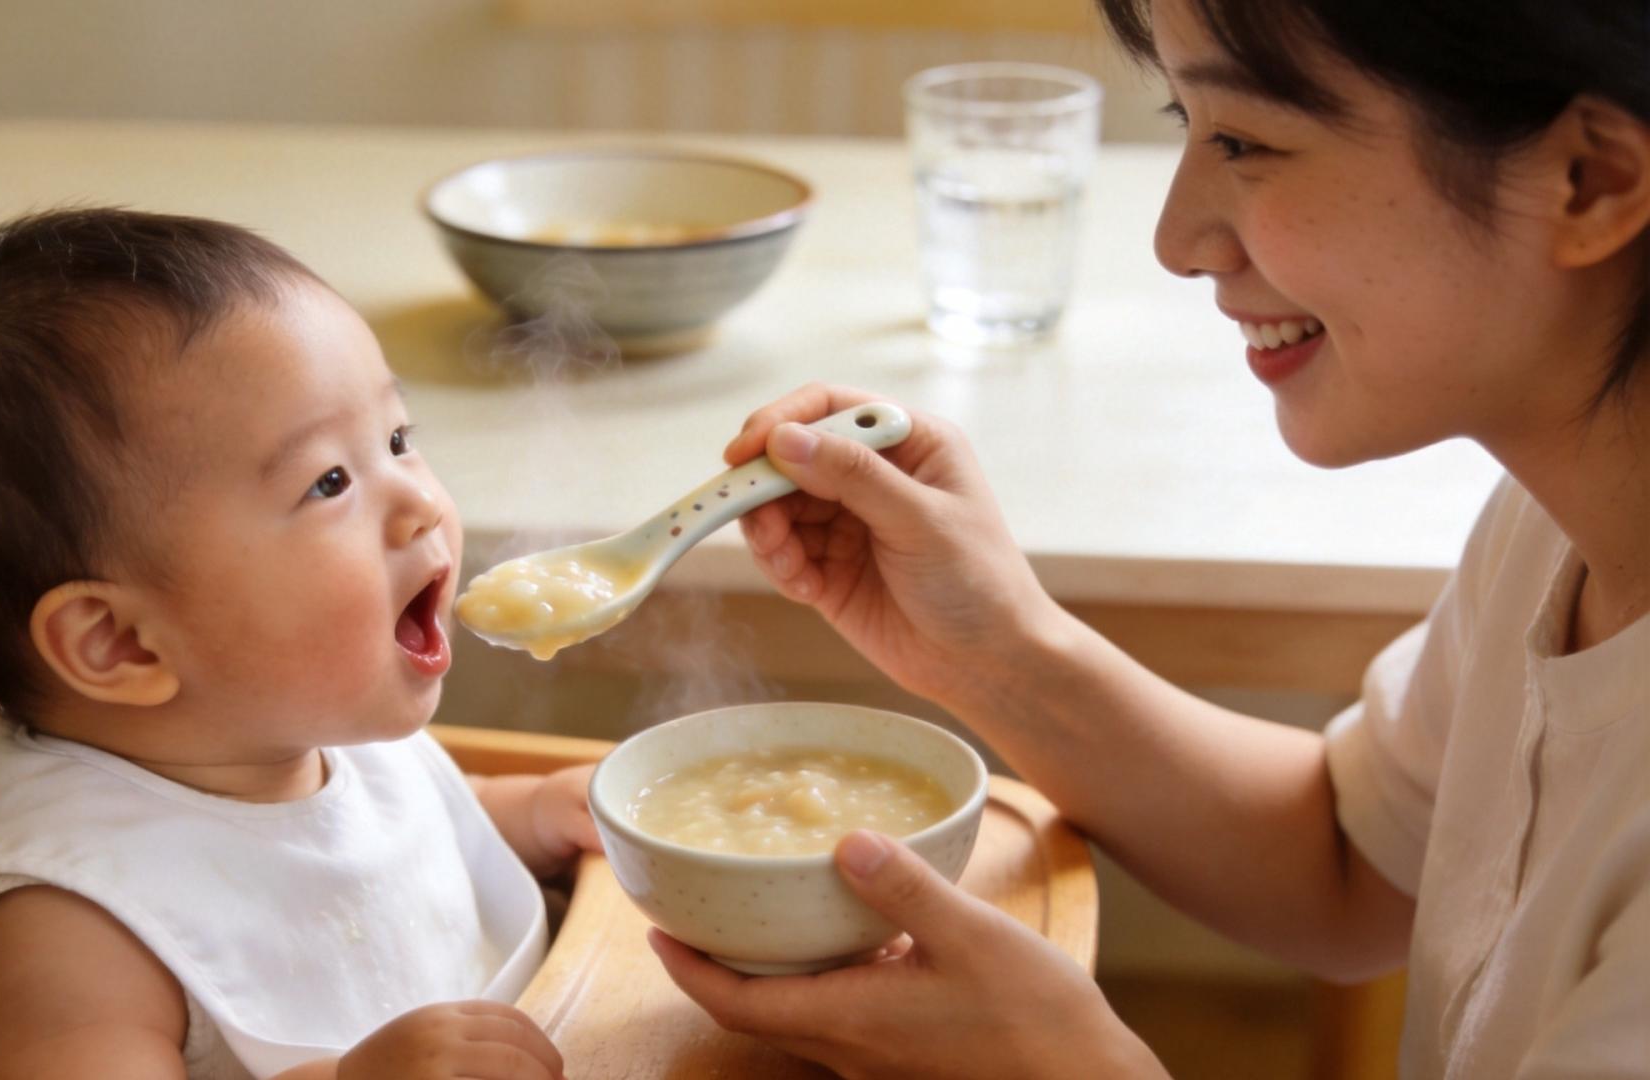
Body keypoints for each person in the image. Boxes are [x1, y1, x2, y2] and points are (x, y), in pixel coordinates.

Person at [648, 0, 1650, 1075]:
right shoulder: (1557, 522)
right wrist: (993, 648)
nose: (1178, 241)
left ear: (1589, 180)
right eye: (1188, 120)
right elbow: (1351, 867)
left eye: (1245, 141)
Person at [0, 208, 599, 1080]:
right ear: (120, 642)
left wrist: (532, 812)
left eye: (397, 439)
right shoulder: (64, 934)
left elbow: (381, 839)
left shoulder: (273, 725)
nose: (422, 502)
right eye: (330, 481)